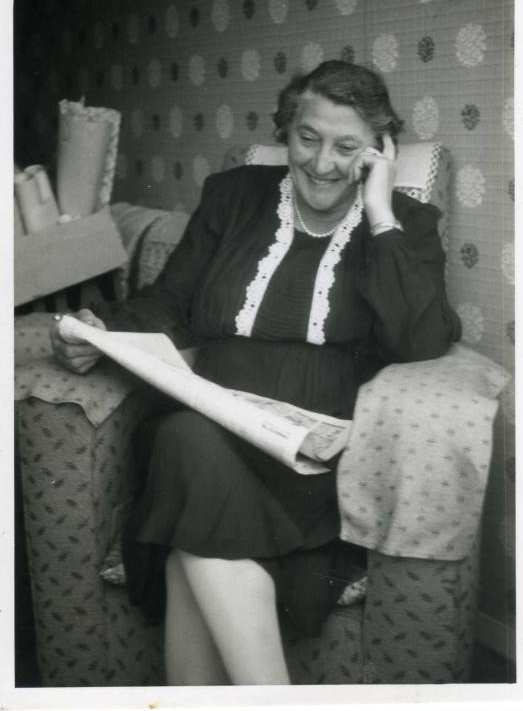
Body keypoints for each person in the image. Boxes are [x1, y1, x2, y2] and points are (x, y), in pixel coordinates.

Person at [51, 60, 461, 686]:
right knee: (183, 439)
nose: (322, 163)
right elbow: (171, 302)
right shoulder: (234, 195)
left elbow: (422, 340)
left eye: (346, 147)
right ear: (286, 130)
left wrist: (380, 212)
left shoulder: (406, 225)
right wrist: (101, 332)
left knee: (189, 535)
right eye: (307, 137)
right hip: (209, 429)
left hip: (306, 463)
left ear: (378, 151)